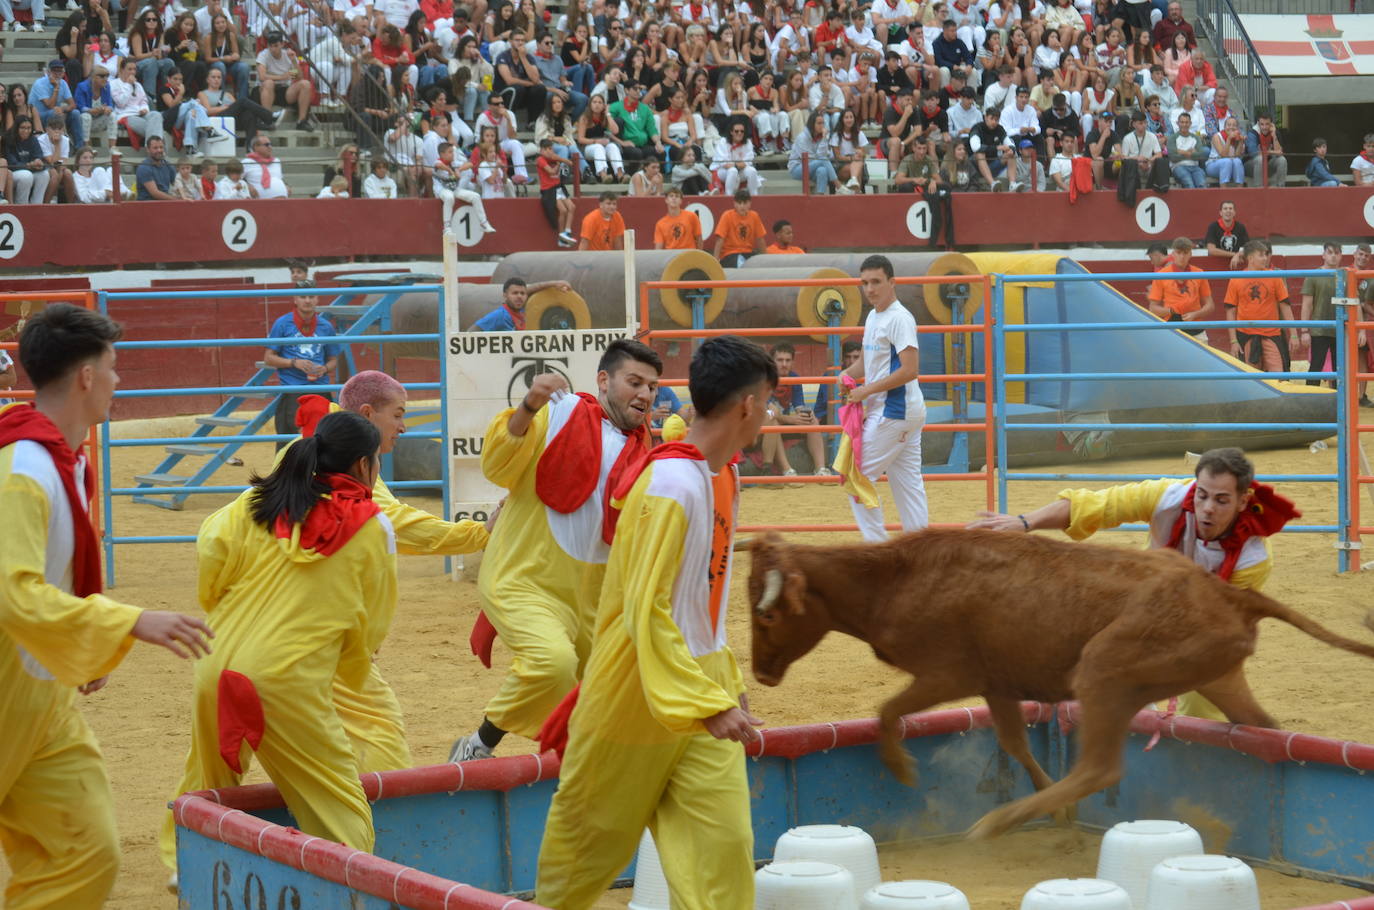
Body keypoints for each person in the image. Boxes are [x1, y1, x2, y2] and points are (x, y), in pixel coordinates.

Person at [533, 335, 776, 910]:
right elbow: (646, 609)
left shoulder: (723, 476)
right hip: (632, 694)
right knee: (582, 857)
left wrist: (725, 680)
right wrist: (707, 700)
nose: (770, 412)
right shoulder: (669, 484)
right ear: (746, 404)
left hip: (697, 687)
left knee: (725, 848)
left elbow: (701, 595)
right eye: (768, 400)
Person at [1, 303, 213, 908]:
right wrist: (127, 621)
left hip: (39, 699)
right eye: (114, 368)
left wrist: (80, 648)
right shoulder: (24, 471)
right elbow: (12, 594)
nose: (120, 381)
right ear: (87, 376)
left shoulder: (63, 461)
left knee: (86, 854)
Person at [158, 411, 394, 880]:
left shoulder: (257, 500)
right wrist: (351, 667)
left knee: (208, 779)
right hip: (286, 680)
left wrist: (219, 606)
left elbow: (212, 548)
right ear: (365, 465)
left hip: (216, 661)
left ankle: (182, 868)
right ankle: (350, 886)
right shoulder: (372, 525)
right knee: (340, 808)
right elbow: (371, 616)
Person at [448, 340, 664, 762]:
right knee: (552, 663)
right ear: (603, 380)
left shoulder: (647, 447)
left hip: (593, 596)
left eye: (652, 387)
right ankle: (480, 744)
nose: (645, 395)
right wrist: (528, 405)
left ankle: (605, 793)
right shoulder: (559, 413)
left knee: (608, 696)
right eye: (634, 382)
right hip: (524, 577)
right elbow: (497, 465)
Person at [966, 446, 1298, 720]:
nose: (1207, 509)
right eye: (1202, 496)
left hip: (1204, 625)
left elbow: (1215, 626)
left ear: (1242, 502)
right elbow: (1095, 505)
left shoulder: (1253, 559)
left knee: (1202, 703)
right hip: (1146, 599)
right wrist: (1025, 522)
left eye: (1222, 500)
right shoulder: (1167, 497)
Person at [839, 254, 928, 542]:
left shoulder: (899, 318)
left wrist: (865, 390)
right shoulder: (875, 315)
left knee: (855, 477)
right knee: (908, 486)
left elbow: (910, 370)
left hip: (894, 410)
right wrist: (844, 375)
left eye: (876, 282)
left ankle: (876, 548)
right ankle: (922, 553)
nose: (870, 289)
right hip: (901, 411)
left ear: (892, 282)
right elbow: (866, 365)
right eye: (865, 283)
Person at [264, 282, 341, 449]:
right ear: (295, 299)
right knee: (291, 443)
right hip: (293, 391)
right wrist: (293, 363)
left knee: (326, 440)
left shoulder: (326, 327)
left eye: (311, 296)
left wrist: (325, 368)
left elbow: (333, 360)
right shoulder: (282, 324)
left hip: (320, 390)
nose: (307, 300)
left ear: (317, 299)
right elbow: (269, 358)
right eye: (303, 296)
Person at [1224, 239, 1294, 373]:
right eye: (1261, 255)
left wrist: (1294, 334)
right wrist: (1233, 341)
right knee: (1251, 379)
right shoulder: (1236, 279)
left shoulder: (1275, 277)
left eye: (1266, 254)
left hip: (1272, 333)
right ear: (1250, 258)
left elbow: (1285, 306)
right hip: (1246, 334)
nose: (1265, 258)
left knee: (1279, 376)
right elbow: (1230, 312)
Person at [1146, 236, 1213, 336]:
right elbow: (1153, 308)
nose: (1182, 257)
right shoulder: (1161, 275)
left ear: (1190, 254)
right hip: (1172, 327)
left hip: (1195, 324)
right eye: (1178, 253)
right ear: (1173, 254)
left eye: (1185, 253)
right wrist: (1171, 310)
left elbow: (1210, 305)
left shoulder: (1199, 273)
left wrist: (1195, 314)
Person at [1298, 242, 1343, 388]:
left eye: (1337, 253)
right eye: (1330, 252)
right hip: (1319, 330)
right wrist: (1304, 331)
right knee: (1316, 366)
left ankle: (1337, 403)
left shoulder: (1346, 276)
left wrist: (1359, 329)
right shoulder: (1313, 275)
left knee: (1340, 369)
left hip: (1341, 329)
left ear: (1341, 256)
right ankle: (1310, 401)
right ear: (1323, 255)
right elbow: (1306, 305)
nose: (1333, 256)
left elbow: (1354, 304)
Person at [256, 30, 316, 130]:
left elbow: (299, 77)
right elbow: (262, 76)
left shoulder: (288, 56)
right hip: (266, 90)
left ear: (282, 44)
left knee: (305, 84)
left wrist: (293, 60)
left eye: (276, 46)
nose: (273, 49)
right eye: (270, 46)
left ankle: (302, 121)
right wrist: (282, 77)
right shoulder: (263, 54)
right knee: (269, 83)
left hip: (285, 90)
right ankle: (266, 120)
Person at [472, 276, 574, 331]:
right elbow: (470, 334)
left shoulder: (524, 309)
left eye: (522, 293)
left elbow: (533, 288)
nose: (519, 296)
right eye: (515, 293)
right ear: (505, 295)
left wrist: (555, 283)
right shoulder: (499, 316)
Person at [712, 189, 766, 267]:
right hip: (730, 254)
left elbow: (760, 239)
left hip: (748, 253)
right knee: (740, 262)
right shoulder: (727, 215)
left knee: (759, 262)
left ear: (750, 203)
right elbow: (720, 239)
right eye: (739, 203)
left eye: (745, 203)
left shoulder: (754, 216)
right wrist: (715, 260)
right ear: (734, 204)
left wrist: (765, 257)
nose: (742, 206)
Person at [1244, 108, 1285, 188]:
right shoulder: (1252, 133)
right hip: (1250, 166)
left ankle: (1281, 188)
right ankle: (1259, 188)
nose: (1265, 127)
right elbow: (1254, 153)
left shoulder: (1274, 132)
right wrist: (1273, 152)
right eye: (1262, 124)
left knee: (1282, 160)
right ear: (1258, 123)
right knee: (1260, 159)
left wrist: (1274, 136)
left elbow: (1280, 152)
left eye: (1267, 124)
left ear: (1271, 124)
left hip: (1267, 165)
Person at [1203, 199, 1249, 268]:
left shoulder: (1240, 227)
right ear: (1220, 213)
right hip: (1215, 264)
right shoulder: (1213, 227)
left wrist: (1238, 255)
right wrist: (1234, 254)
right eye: (1225, 208)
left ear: (1234, 213)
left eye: (1230, 208)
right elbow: (1211, 250)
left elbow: (1249, 248)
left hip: (1235, 265)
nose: (1228, 211)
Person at [653, 186, 702, 250]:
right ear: (666, 200)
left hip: (689, 255)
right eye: (671, 196)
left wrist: (698, 257)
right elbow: (658, 248)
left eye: (677, 196)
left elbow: (699, 238)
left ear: (681, 201)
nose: (674, 198)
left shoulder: (691, 216)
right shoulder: (660, 224)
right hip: (671, 257)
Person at [242, 134, 288, 198]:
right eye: (266, 145)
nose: (270, 147)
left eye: (270, 144)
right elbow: (233, 180)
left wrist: (286, 185)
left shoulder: (276, 161)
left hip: (282, 201)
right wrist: (246, 186)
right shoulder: (247, 162)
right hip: (260, 203)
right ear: (256, 147)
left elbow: (279, 178)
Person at [134, 133, 176, 200]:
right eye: (155, 148)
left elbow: (177, 184)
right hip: (147, 206)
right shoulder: (144, 168)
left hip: (165, 204)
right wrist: (176, 200)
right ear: (148, 149)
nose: (159, 150)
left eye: (161, 147)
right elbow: (155, 193)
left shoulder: (168, 165)